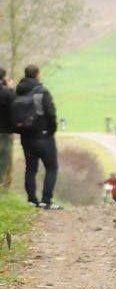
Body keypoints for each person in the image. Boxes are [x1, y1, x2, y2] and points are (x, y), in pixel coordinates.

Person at [12, 65, 61, 209]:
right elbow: (51, 114)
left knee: (30, 169)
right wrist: (51, 130)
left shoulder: (18, 92)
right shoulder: (42, 91)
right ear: (37, 75)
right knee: (51, 167)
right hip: (43, 135)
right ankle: (46, 200)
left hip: (26, 137)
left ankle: (32, 201)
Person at [0, 67, 15, 134]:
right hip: (4, 129)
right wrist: (11, 89)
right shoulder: (7, 92)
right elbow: (14, 105)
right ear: (3, 78)